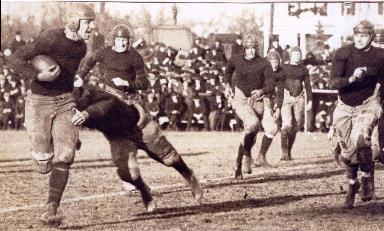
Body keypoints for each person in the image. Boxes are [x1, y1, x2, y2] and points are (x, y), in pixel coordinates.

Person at [7, 3, 96, 226]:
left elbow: (69, 80)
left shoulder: (82, 48)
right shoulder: (50, 39)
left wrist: (76, 100)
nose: (92, 27)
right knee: (44, 163)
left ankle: (51, 208)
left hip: (65, 102)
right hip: (39, 103)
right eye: (88, 22)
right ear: (74, 21)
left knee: (65, 156)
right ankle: (43, 150)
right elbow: (15, 60)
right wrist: (37, 76)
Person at [329, 20, 384, 209]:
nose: (360, 39)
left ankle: (367, 176)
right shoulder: (343, 52)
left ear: (371, 37)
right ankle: (353, 184)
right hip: (344, 106)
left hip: (368, 104)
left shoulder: (380, 55)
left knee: (360, 139)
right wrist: (352, 78)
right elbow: (333, 83)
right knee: (348, 155)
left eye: (364, 36)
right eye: (357, 35)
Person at [224, 34, 275, 179]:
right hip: (241, 99)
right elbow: (227, 72)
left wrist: (262, 90)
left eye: (253, 48)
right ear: (244, 48)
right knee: (252, 124)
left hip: (258, 100)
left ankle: (247, 154)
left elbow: (271, 83)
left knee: (258, 132)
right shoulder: (236, 59)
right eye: (248, 48)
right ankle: (239, 164)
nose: (251, 51)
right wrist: (227, 85)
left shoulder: (264, 62)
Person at [280, 47, 313, 161]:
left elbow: (308, 85)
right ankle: (284, 152)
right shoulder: (283, 67)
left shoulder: (304, 69)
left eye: (299, 54)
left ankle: (289, 152)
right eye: (295, 54)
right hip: (286, 97)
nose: (297, 56)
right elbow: (278, 83)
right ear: (290, 55)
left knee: (296, 125)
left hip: (299, 98)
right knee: (286, 124)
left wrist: (310, 101)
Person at [254, 51, 284, 168]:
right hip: (256, 100)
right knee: (252, 129)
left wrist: (278, 108)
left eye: (276, 61)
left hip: (268, 101)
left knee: (272, 128)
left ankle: (261, 156)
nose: (274, 64)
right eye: (271, 62)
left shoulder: (281, 73)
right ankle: (246, 157)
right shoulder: (260, 71)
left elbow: (280, 92)